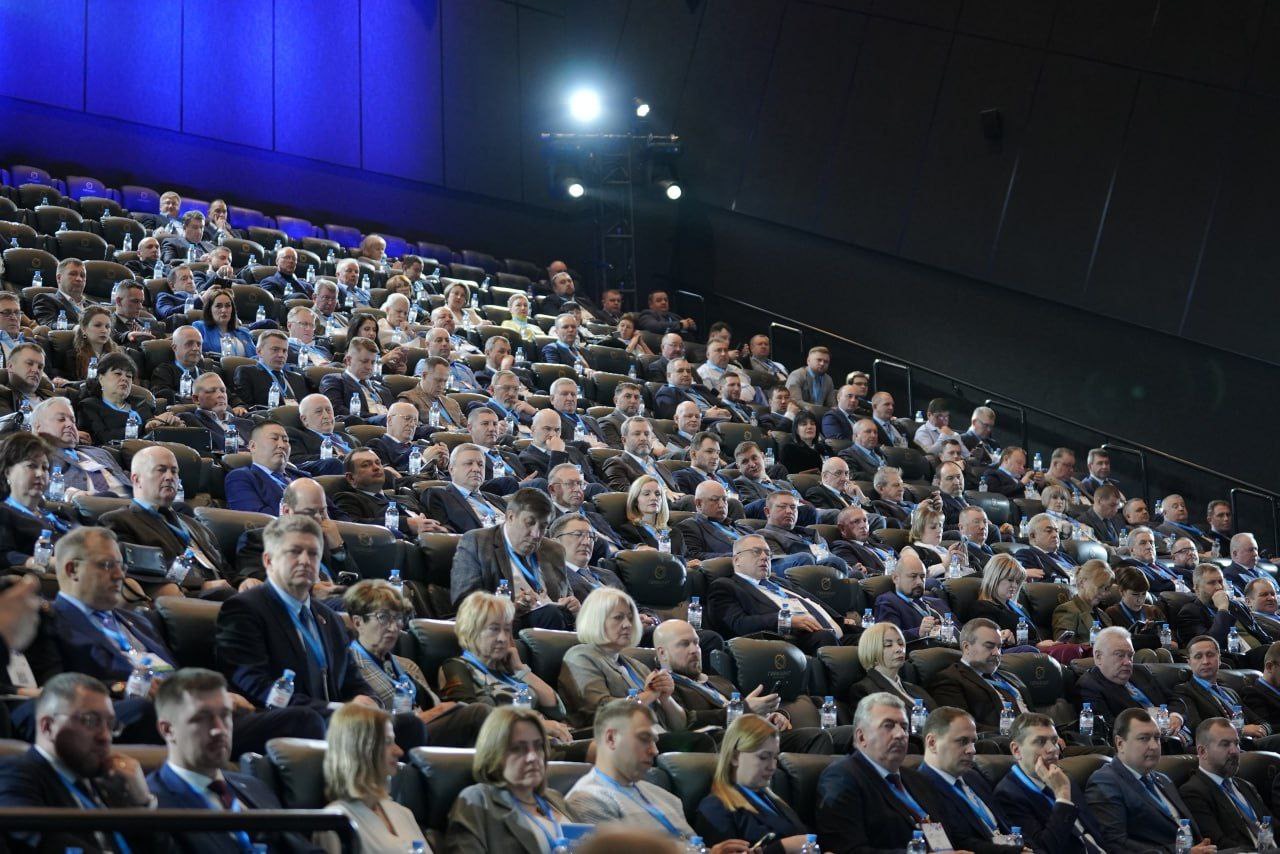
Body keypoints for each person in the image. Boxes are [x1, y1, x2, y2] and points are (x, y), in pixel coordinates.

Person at [215, 514, 379, 711]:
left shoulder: (330, 618)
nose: (305, 561)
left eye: (313, 554)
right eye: (294, 552)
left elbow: (354, 681)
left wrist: (370, 701)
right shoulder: (243, 610)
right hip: (285, 720)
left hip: (338, 721)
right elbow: (257, 688)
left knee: (405, 722)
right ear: (268, 560)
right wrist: (333, 709)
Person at [148, 668, 303, 854]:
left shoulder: (254, 786)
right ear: (167, 730)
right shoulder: (152, 805)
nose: (219, 729)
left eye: (225, 715)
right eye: (202, 718)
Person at [0, 672, 154, 853]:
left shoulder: (107, 778)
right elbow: (41, 843)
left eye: (111, 724)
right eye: (90, 721)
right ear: (48, 726)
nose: (105, 737)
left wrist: (142, 804)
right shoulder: (16, 774)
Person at [566, 700, 747, 852]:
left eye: (654, 741)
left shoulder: (665, 797)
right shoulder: (588, 800)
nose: (655, 751)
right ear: (611, 739)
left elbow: (691, 847)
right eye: (644, 739)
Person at [653, 618, 834, 754]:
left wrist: (770, 716)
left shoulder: (719, 680)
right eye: (684, 644)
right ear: (662, 653)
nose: (694, 650)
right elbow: (685, 722)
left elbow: (749, 710)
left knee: (821, 736)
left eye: (696, 643)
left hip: (755, 734)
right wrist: (744, 710)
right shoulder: (665, 686)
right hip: (725, 744)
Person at [344, 580, 490, 745]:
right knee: (478, 714)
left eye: (398, 618)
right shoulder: (349, 666)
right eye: (383, 617)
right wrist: (431, 714)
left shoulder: (407, 665)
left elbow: (435, 706)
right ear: (358, 622)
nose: (393, 628)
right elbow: (364, 724)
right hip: (391, 740)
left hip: (426, 734)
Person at [99, 446, 234, 594]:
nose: (170, 477)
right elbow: (139, 572)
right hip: (185, 597)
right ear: (136, 479)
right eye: (161, 470)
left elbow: (226, 570)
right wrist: (202, 586)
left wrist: (243, 582)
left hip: (228, 593)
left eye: (174, 471)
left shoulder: (196, 525)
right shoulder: (119, 521)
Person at [446, 705, 579, 853]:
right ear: (494, 753)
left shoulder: (555, 798)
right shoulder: (477, 800)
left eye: (538, 746)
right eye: (518, 748)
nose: (532, 757)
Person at [560, 587, 693, 734]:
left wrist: (666, 699)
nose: (628, 624)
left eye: (630, 618)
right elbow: (601, 711)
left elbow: (681, 727)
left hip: (659, 738)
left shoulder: (639, 666)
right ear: (596, 620)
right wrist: (649, 695)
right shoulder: (580, 657)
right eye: (618, 617)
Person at [439, 591, 572, 734]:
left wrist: (520, 669)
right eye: (494, 629)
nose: (503, 638)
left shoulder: (509, 669)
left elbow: (558, 711)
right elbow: (470, 719)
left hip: (545, 740)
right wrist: (538, 725)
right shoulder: (456, 667)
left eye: (507, 630)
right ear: (471, 630)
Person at [1085, 708, 1214, 854]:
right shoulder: (1105, 782)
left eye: (1157, 737)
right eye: (1144, 738)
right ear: (1120, 743)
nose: (1154, 746)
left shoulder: (1163, 779)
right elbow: (1115, 845)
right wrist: (1182, 852)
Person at [814, 692, 928, 852]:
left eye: (904, 727)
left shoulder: (917, 779)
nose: (901, 734)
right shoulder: (841, 779)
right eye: (888, 725)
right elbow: (848, 850)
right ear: (861, 737)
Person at [450, 487, 576, 630]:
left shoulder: (554, 550)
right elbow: (465, 603)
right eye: (530, 523)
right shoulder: (477, 542)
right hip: (508, 624)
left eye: (543, 526)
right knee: (551, 614)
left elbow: (565, 598)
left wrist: (574, 608)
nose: (536, 534)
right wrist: (512, 607)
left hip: (555, 622)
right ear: (510, 517)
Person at [709, 534, 850, 652]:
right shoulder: (724, 586)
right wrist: (786, 620)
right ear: (737, 560)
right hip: (793, 640)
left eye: (767, 553)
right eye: (756, 552)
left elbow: (810, 601)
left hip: (833, 630)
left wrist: (840, 619)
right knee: (825, 638)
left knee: (862, 635)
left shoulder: (779, 581)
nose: (764, 557)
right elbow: (739, 624)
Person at [994, 712, 1110, 854]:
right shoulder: (1008, 795)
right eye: (1040, 742)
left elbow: (1094, 830)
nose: (1053, 749)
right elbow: (1045, 849)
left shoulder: (1063, 776)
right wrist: (1063, 797)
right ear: (1016, 750)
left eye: (1054, 741)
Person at [910, 707, 1022, 853]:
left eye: (973, 742)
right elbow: (958, 843)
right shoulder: (921, 789)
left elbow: (1007, 824)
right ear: (932, 743)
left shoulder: (973, 777)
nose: (972, 750)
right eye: (962, 741)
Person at [694, 715, 811, 853]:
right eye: (764, 757)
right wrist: (782, 847)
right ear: (734, 757)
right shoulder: (715, 807)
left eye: (775, 757)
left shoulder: (773, 799)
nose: (773, 767)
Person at [319, 703, 423, 854]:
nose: (399, 751)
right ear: (361, 749)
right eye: (388, 742)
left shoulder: (403, 813)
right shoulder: (336, 822)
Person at [1075, 627, 1192, 747]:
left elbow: (1174, 699)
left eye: (1130, 655)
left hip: (1182, 734)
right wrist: (1157, 725)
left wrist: (1175, 717)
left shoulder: (1141, 671)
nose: (1128, 662)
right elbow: (1109, 728)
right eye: (1120, 655)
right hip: (1151, 745)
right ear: (1098, 657)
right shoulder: (1090, 686)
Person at [1179, 716, 1272, 851]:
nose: (1235, 751)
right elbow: (1218, 845)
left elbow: (1272, 825)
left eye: (1236, 743)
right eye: (1225, 744)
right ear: (1202, 752)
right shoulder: (1193, 792)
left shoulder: (1246, 785)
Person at [930, 618, 1035, 732]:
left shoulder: (1011, 677)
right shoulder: (950, 679)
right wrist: (1016, 734)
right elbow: (961, 728)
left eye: (999, 647)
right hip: (1002, 740)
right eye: (989, 646)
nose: (997, 653)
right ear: (966, 647)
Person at [1175, 634, 1280, 749]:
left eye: (1210, 655)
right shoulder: (1185, 691)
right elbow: (1198, 728)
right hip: (1223, 748)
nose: (1205, 661)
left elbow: (1263, 723)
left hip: (1250, 744)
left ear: (1219, 659)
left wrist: (1262, 730)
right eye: (1198, 656)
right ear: (1189, 662)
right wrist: (1240, 730)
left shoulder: (1230, 692)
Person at [0, 430, 81, 568]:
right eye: (31, 466)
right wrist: (39, 562)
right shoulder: (4, 513)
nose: (40, 473)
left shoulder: (60, 513)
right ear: (8, 472)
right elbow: (4, 555)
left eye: (45, 468)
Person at [31, 397, 132, 497]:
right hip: (95, 503)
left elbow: (124, 476)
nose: (70, 424)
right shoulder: (39, 455)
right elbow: (34, 484)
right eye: (61, 419)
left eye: (73, 421)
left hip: (132, 500)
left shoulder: (101, 452)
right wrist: (71, 494)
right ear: (38, 427)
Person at [1174, 563, 1273, 662]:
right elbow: (1210, 646)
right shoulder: (1190, 612)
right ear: (1197, 588)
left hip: (1262, 655)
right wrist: (1222, 609)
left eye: (1220, 581)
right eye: (1212, 583)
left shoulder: (1237, 606)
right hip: (1234, 659)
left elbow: (1262, 636)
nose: (1219, 587)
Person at [75, 351, 179, 443]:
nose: (124, 379)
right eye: (118, 373)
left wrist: (168, 422)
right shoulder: (88, 406)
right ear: (101, 378)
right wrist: (145, 428)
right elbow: (103, 437)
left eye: (129, 376)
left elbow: (153, 423)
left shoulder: (141, 403)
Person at [223, 421, 311, 514]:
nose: (282, 445)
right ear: (253, 446)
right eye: (274, 439)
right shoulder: (240, 478)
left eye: (285, 440)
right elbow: (256, 518)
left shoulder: (302, 476)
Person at [758, 490, 853, 575]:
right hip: (802, 574)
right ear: (767, 512)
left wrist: (848, 566)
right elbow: (777, 563)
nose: (789, 511)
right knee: (809, 558)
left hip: (827, 569)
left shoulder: (811, 533)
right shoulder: (764, 535)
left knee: (854, 573)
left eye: (793, 507)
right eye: (782, 507)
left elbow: (827, 554)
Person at [423, 442, 509, 534]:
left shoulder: (497, 500)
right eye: (469, 463)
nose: (476, 469)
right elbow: (444, 530)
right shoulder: (438, 495)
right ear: (452, 469)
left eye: (480, 465)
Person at [851, 622, 936, 712]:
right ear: (872, 651)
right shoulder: (864, 690)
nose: (899, 649)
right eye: (888, 645)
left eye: (901, 643)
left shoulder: (914, 688)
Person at [872, 549, 947, 641]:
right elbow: (888, 638)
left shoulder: (937, 601)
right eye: (913, 576)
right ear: (895, 578)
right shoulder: (888, 602)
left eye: (922, 577)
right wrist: (919, 632)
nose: (919, 582)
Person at [602, 416, 683, 498]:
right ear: (624, 440)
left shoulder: (662, 466)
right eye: (637, 434)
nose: (643, 438)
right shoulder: (616, 464)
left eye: (647, 434)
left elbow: (677, 492)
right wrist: (662, 494)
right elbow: (626, 495)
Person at [319, 336, 395, 424]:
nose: (369, 367)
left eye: (373, 362)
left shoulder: (382, 388)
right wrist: (379, 418)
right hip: (365, 427)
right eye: (364, 361)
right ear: (348, 360)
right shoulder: (335, 381)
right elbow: (336, 412)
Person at [1104, 565, 1175, 652]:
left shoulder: (1154, 611)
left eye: (1144, 594)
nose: (1140, 600)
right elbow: (1112, 647)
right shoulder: (1112, 613)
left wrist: (1160, 638)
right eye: (1135, 595)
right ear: (1122, 592)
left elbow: (1175, 645)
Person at [179, 373, 255, 453]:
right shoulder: (189, 420)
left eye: (223, 391)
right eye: (211, 391)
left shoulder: (247, 423)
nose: (221, 395)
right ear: (196, 399)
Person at [232, 330, 306, 408]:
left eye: (284, 351)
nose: (281, 355)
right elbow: (247, 408)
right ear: (259, 351)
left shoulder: (297, 378)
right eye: (275, 349)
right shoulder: (247, 373)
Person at [616, 474, 686, 555]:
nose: (654, 498)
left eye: (657, 494)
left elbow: (685, 557)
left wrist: (691, 561)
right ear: (635, 501)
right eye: (646, 494)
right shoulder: (629, 531)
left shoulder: (675, 533)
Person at [1051, 560, 1117, 642]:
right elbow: (1063, 647)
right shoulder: (1067, 610)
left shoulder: (1103, 615)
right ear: (1082, 582)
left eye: (1107, 589)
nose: (1104, 593)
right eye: (1100, 587)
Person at [151, 324, 218, 404]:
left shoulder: (207, 375)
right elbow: (160, 395)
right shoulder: (163, 371)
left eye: (199, 344)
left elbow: (228, 398)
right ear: (175, 347)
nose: (196, 348)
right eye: (189, 343)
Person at [401, 356, 466, 429]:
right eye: (438, 380)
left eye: (445, 381)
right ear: (424, 375)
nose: (442, 386)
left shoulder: (452, 403)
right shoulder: (408, 399)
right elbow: (413, 428)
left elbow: (469, 427)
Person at [1119, 526, 1188, 594]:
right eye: (1143, 543)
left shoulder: (1159, 565)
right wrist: (1176, 585)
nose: (1149, 546)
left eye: (1151, 542)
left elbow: (1180, 580)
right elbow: (1152, 586)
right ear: (1132, 549)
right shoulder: (1130, 566)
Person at [59, 305, 118, 382]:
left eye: (107, 326)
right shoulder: (73, 356)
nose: (104, 330)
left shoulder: (117, 353)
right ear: (84, 329)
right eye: (98, 325)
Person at [192, 287, 256, 357]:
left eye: (228, 306)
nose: (224, 310)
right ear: (210, 310)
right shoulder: (200, 328)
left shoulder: (244, 332)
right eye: (218, 306)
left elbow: (256, 358)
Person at [1017, 513, 1075, 583]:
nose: (1055, 535)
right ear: (1033, 536)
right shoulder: (1026, 555)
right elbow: (1034, 584)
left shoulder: (1066, 557)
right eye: (1048, 531)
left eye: (1056, 531)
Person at [32, 257, 92, 326]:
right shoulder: (45, 300)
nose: (79, 279)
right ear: (59, 278)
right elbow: (49, 324)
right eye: (73, 274)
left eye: (82, 275)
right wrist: (77, 328)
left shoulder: (95, 306)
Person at [1224, 533, 1270, 597]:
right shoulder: (1229, 575)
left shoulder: (1263, 572)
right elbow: (1242, 600)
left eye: (1256, 549)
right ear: (1235, 554)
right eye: (1251, 550)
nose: (1255, 554)